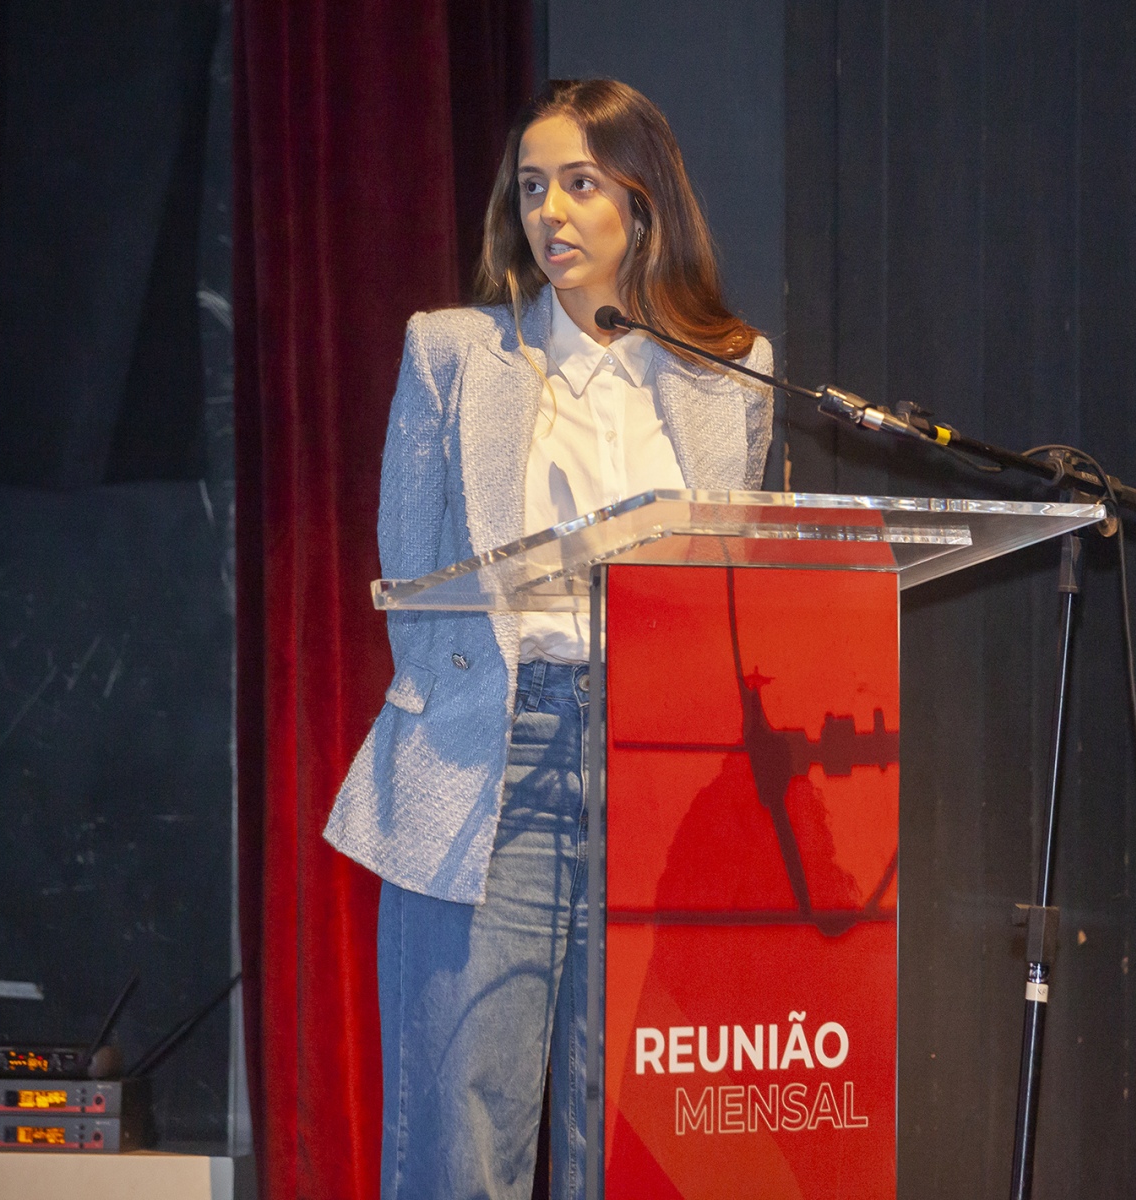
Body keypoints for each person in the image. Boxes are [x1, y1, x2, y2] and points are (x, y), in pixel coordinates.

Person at [322, 79, 774, 1200]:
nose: (550, 214)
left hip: (652, 768)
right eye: (532, 188)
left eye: (580, 183)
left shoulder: (732, 372)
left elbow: (731, 590)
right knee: (459, 1142)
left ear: (644, 202)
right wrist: (481, 702)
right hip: (495, 749)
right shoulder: (454, 353)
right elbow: (412, 581)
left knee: (622, 1133)